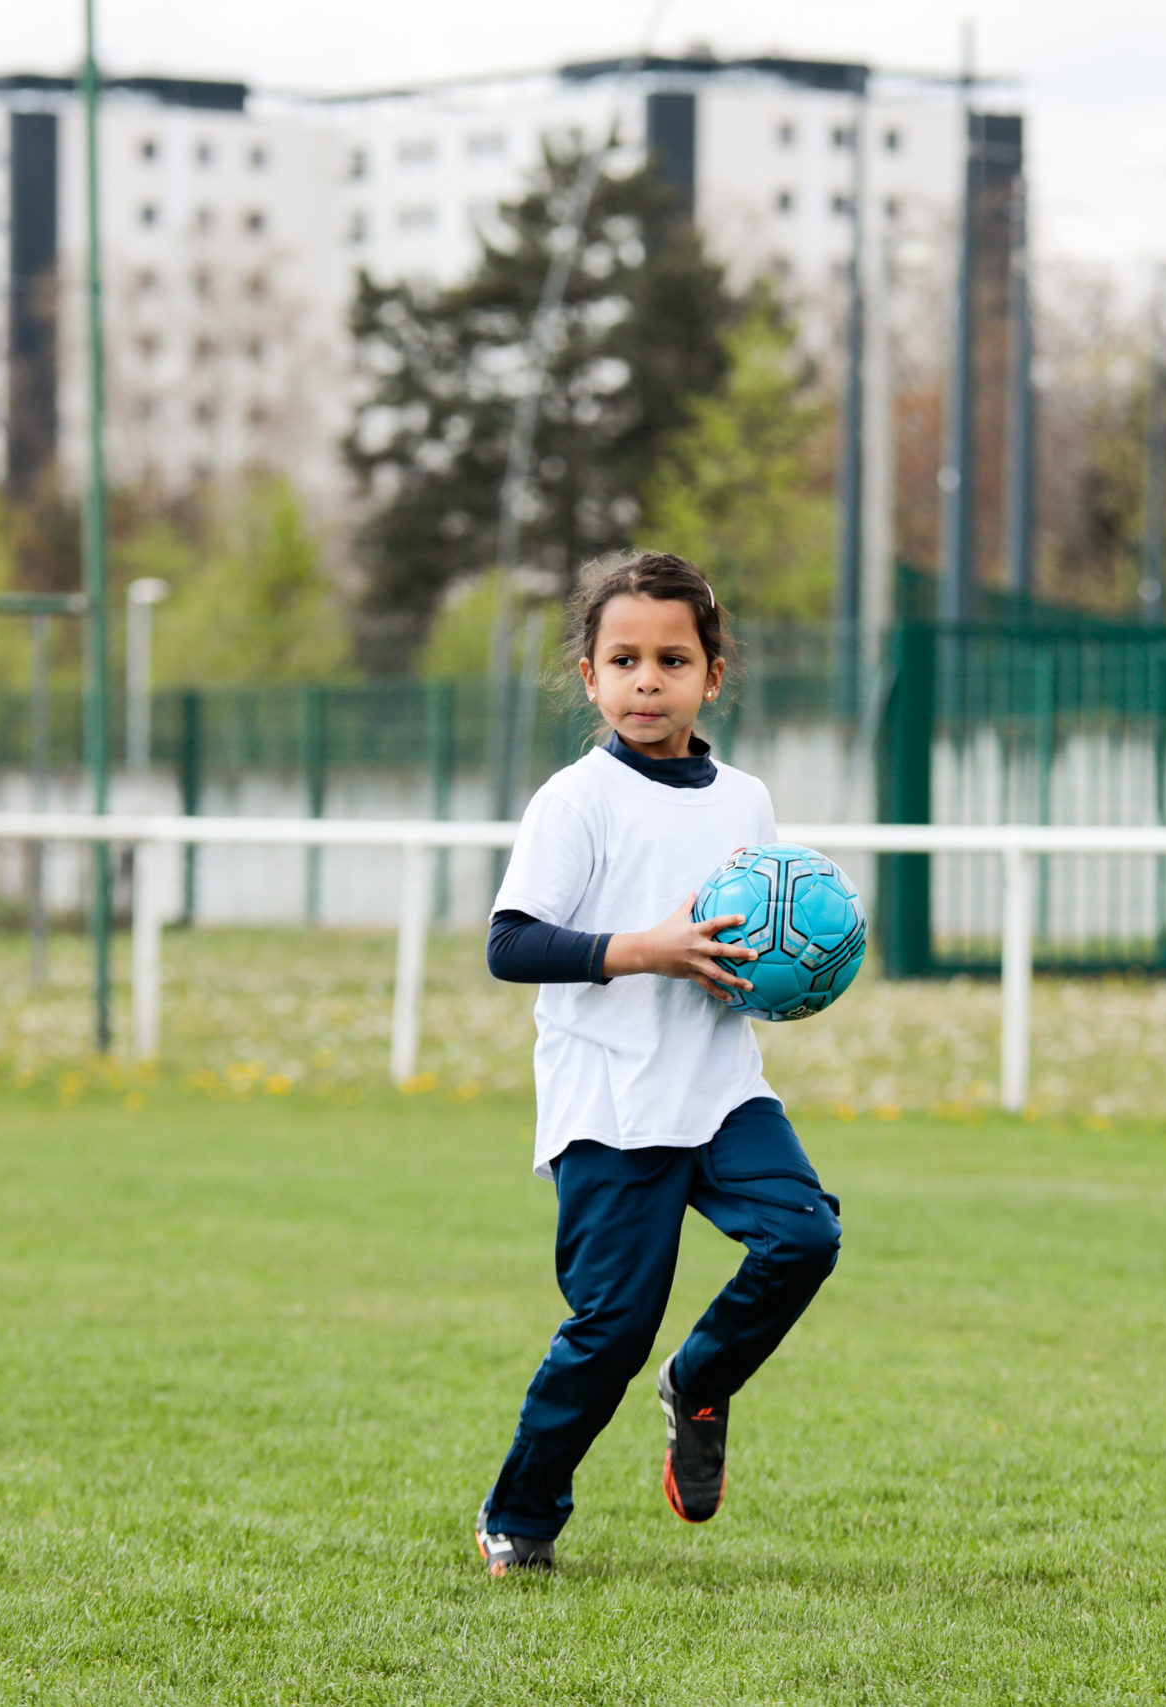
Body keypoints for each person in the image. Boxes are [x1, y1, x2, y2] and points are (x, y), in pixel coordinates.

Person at [472, 551, 843, 1578]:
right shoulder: (575, 801)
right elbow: (511, 945)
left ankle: (702, 1380)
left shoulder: (746, 801)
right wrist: (649, 949)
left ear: (711, 675)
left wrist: (762, 978)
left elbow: (747, 938)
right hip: (610, 1102)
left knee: (803, 1236)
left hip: (721, 1090)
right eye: (623, 659)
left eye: (671, 659)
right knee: (608, 1332)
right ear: (587, 676)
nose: (647, 681)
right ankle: (520, 1516)